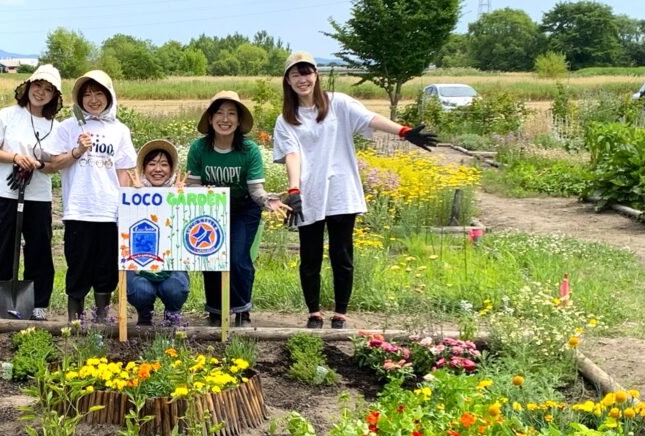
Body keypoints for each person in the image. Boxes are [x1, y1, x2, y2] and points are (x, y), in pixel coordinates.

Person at [273, 51, 438, 329]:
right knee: (309, 256)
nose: (303, 79)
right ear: (288, 81)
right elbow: (292, 155)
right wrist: (294, 189)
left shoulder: (339, 104)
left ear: (316, 75)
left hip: (341, 191)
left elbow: (370, 119)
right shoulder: (287, 120)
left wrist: (403, 131)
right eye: (296, 74)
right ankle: (313, 312)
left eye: (307, 72)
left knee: (342, 254)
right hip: (309, 194)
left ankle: (341, 313)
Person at [185, 91, 287, 327]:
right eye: (219, 113)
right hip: (210, 208)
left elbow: (256, 190)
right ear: (210, 119)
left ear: (239, 121)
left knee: (238, 257)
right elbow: (193, 186)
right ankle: (216, 310)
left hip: (243, 208)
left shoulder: (249, 150)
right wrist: (205, 193)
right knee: (211, 256)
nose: (225, 118)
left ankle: (242, 310)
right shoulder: (199, 149)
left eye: (232, 113)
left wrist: (267, 200)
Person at [0, 64, 64, 321]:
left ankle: (37, 303)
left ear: (54, 97)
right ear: (28, 86)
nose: (41, 92)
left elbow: (54, 165)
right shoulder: (8, 115)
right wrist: (15, 157)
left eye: (48, 90)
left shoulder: (54, 126)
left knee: (39, 249)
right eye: (38, 86)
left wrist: (39, 164)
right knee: (0, 247)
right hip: (7, 192)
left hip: (38, 196)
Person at [47, 69, 136, 322]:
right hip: (79, 208)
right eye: (87, 94)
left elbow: (123, 170)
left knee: (105, 266)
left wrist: (122, 206)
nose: (93, 99)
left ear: (109, 96)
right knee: (78, 264)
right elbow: (54, 162)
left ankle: (101, 318)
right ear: (79, 99)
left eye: (99, 93)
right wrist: (77, 150)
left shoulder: (119, 130)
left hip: (108, 211)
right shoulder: (67, 127)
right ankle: (74, 320)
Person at [127, 139, 190, 326]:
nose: (158, 169)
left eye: (164, 164)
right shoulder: (130, 195)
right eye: (152, 164)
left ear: (171, 169)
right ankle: (144, 314)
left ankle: (172, 316)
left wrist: (195, 198)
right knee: (140, 290)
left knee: (175, 287)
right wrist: (134, 198)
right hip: (141, 262)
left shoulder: (182, 194)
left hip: (172, 263)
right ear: (144, 168)